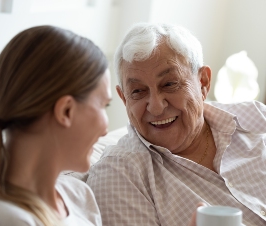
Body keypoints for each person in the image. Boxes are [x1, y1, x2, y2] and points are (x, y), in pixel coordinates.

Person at [86, 22, 266, 226]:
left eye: (170, 84)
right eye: (138, 91)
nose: (155, 107)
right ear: (124, 98)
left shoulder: (256, 119)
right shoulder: (119, 176)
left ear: (203, 82)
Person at [0, 25, 112, 226]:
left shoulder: (78, 195)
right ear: (65, 111)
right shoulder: (6, 219)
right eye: (104, 105)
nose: (105, 129)